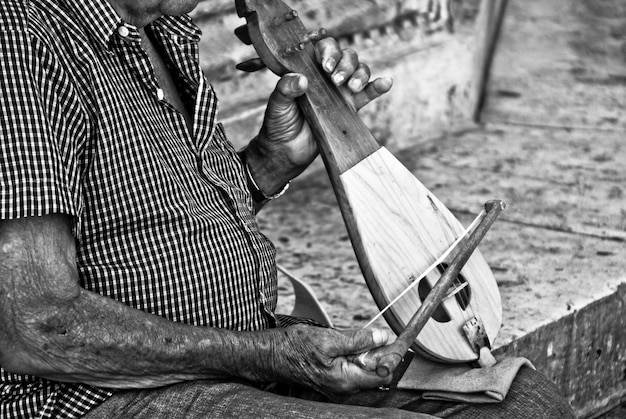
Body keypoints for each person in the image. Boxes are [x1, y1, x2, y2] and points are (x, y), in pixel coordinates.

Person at [0, 0, 574, 417]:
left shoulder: (163, 27)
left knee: (524, 403)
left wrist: (271, 161)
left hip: (245, 353)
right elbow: (32, 325)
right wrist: (270, 356)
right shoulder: (24, 40)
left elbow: (160, 213)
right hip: (107, 394)